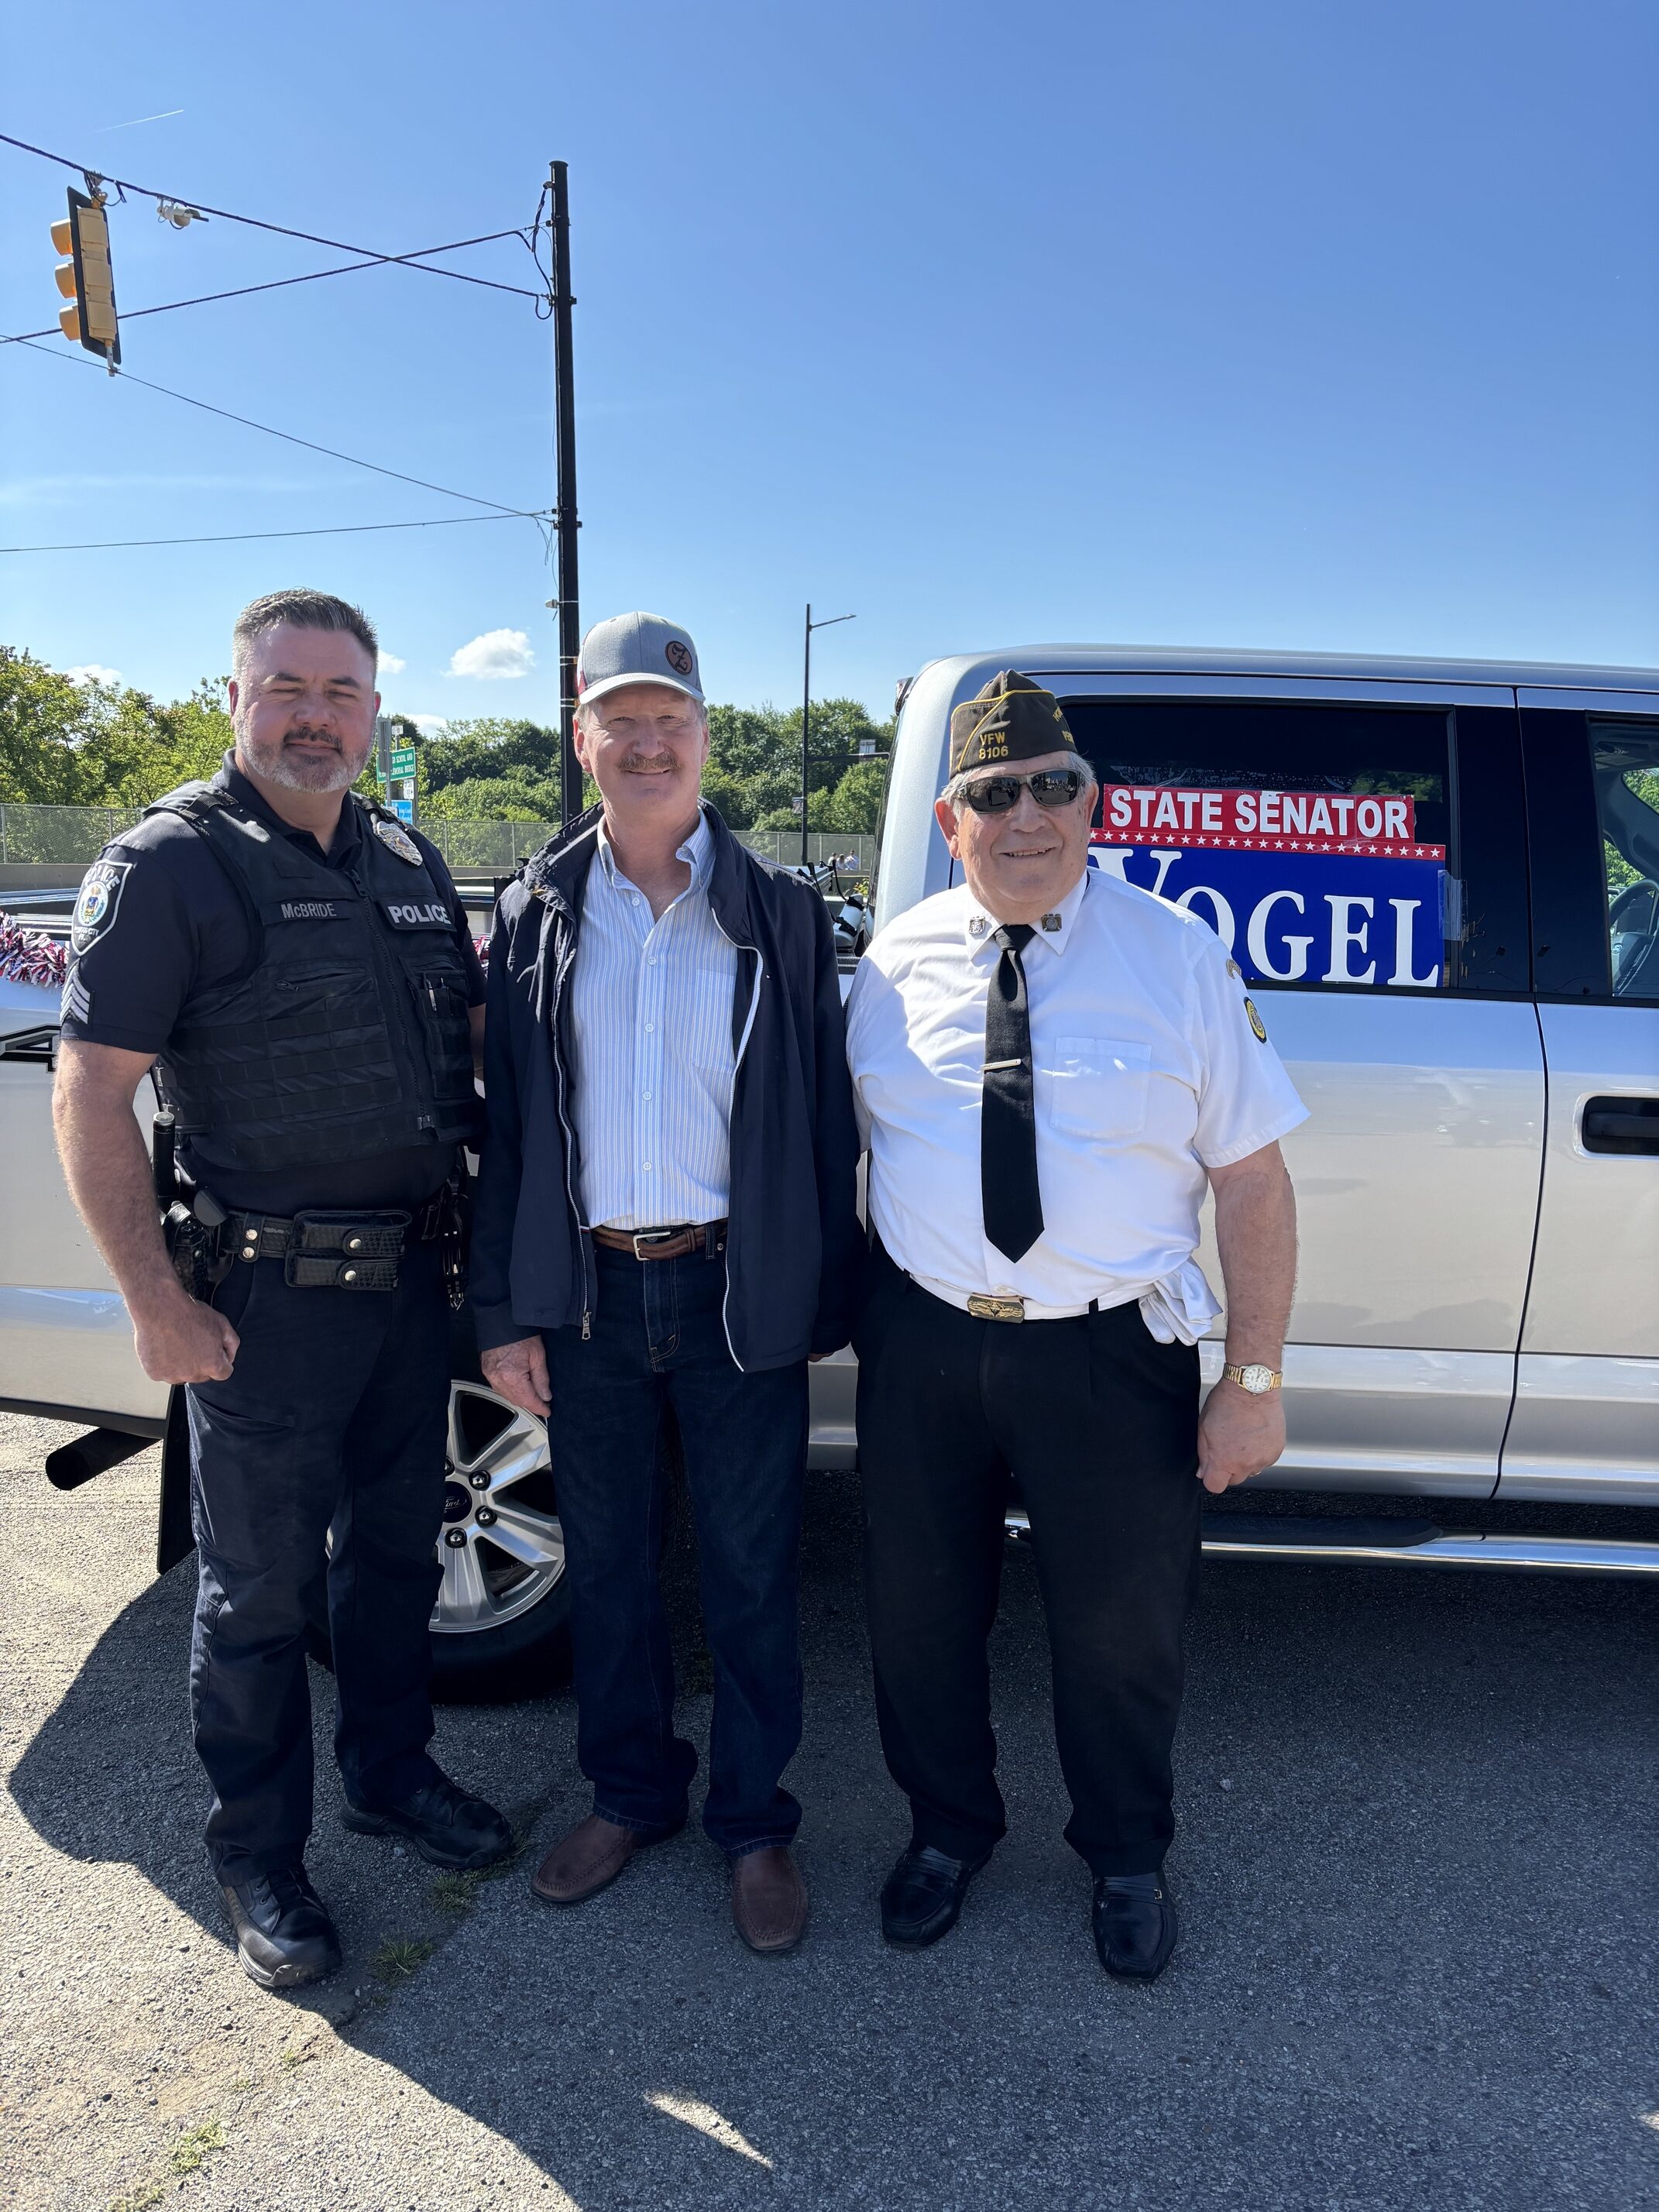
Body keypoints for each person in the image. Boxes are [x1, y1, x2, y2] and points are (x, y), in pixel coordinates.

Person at [53, 589, 513, 1991]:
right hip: (260, 1303)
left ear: (374, 709)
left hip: (411, 1281)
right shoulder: (169, 864)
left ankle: (392, 1773)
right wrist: (153, 1302)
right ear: (235, 698)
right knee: (256, 1592)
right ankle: (259, 1854)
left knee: (396, 1557)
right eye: (288, 688)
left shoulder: (407, 855)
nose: (316, 715)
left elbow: (475, 1051)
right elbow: (90, 1096)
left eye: (341, 691)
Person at [843, 670, 1307, 1981]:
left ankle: (1123, 1855)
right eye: (995, 795)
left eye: (1055, 786)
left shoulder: (1175, 954)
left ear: (1094, 804)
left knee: (1121, 1627)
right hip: (925, 1340)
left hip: (1110, 1351)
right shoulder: (888, 966)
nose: (1028, 816)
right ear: (951, 820)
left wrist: (1252, 1379)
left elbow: (1252, 1179)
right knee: (918, 1616)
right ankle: (946, 1832)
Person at [472, 611, 861, 1956]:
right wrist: (502, 1313)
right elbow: (510, 1132)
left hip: (730, 1294)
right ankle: (630, 1797)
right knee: (613, 1570)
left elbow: (823, 1123)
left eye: (671, 722)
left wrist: (823, 1297)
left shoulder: (778, 915)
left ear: (703, 737)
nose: (648, 744)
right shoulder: (534, 912)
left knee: (751, 1572)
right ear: (582, 738)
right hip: (586, 1297)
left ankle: (754, 1824)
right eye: (621, 722)